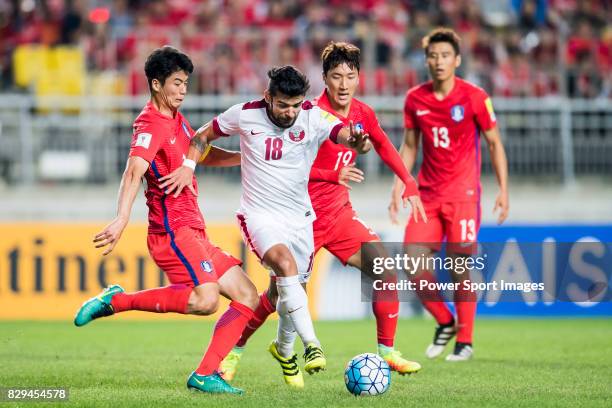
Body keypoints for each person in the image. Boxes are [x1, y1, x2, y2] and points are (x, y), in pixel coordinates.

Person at [218, 41, 428, 382]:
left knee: (385, 270)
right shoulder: (307, 115)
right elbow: (284, 167)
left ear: (359, 77)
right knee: (276, 298)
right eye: (336, 76)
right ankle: (233, 353)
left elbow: (384, 145)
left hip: (340, 215)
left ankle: (387, 353)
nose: (343, 84)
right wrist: (332, 174)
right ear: (325, 79)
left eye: (350, 76)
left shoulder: (362, 113)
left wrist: (408, 181)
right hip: (302, 218)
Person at [159, 65, 371, 388]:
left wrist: (356, 141)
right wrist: (188, 166)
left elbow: (346, 135)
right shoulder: (244, 115)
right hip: (259, 215)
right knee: (284, 267)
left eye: (296, 105)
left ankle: (284, 352)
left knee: (289, 290)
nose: (290, 112)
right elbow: (201, 136)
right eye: (283, 104)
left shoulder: (312, 115)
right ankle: (312, 345)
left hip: (300, 219)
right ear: (268, 97)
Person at [73, 46, 259, 395]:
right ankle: (117, 301)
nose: (183, 90)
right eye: (177, 83)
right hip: (173, 230)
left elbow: (198, 151)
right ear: (157, 84)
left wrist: (244, 161)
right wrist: (121, 218)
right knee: (206, 300)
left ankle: (205, 375)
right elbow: (133, 172)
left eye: (186, 83)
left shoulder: (176, 119)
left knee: (247, 295)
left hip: (194, 228)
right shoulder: (150, 123)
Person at [389, 28, 509, 361]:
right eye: (433, 55)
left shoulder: (474, 97)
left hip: (464, 196)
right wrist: (399, 185)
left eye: (445, 56)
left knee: (459, 265)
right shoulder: (415, 98)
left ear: (456, 60)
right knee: (413, 265)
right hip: (426, 196)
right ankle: (445, 320)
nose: (439, 61)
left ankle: (465, 341)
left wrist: (503, 189)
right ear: (426, 60)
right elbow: (410, 145)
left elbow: (495, 143)